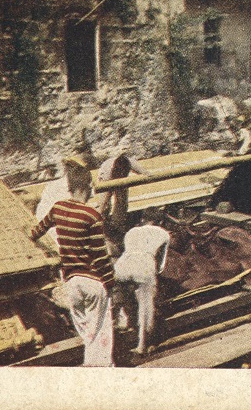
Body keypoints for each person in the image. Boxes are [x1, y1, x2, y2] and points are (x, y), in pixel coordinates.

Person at [29, 156, 115, 367]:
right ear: (87, 187)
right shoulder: (91, 215)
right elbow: (100, 255)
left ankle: (91, 363)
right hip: (92, 280)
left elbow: (36, 231)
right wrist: (110, 281)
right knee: (101, 328)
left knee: (87, 330)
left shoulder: (57, 208)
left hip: (71, 283)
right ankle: (101, 367)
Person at [112, 208, 170, 355]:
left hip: (122, 265)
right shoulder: (164, 234)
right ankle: (141, 345)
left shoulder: (131, 232)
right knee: (145, 305)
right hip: (144, 266)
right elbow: (161, 265)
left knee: (121, 291)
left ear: (143, 219)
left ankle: (122, 319)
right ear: (160, 222)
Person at [96, 152, 150, 250]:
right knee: (104, 206)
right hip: (107, 178)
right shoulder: (107, 170)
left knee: (122, 203)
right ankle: (100, 228)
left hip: (121, 180)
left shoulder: (131, 163)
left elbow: (145, 173)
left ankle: (117, 226)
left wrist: (146, 175)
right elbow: (103, 200)